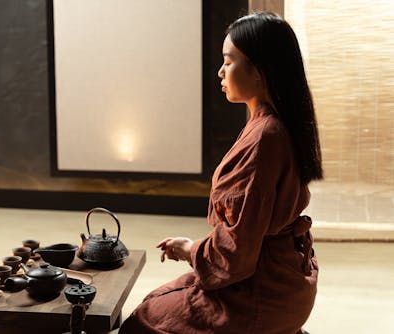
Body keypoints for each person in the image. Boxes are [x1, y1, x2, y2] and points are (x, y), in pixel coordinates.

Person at [119, 11, 323, 334]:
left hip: (260, 292)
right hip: (284, 279)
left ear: (260, 72)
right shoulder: (275, 124)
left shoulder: (266, 138)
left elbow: (238, 255)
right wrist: (196, 248)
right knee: (160, 299)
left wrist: (190, 250)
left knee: (143, 321)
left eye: (229, 62)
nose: (220, 72)